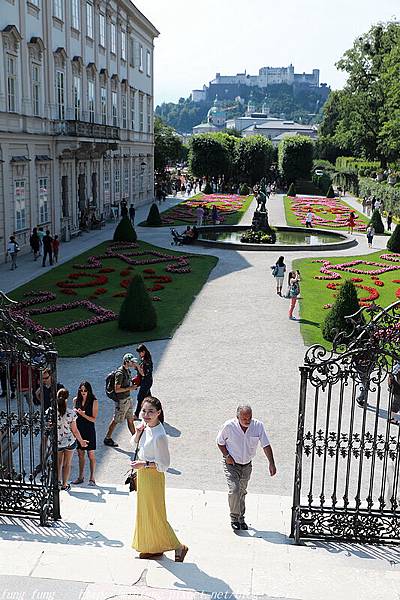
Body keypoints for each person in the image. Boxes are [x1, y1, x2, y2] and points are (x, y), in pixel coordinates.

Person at [131, 396, 188, 561]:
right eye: (144, 411)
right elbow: (134, 443)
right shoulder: (146, 426)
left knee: (156, 513)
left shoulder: (160, 435)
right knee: (145, 512)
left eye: (151, 412)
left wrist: (144, 464)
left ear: (158, 413)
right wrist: (138, 432)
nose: (146, 414)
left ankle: (178, 546)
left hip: (153, 477)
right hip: (143, 475)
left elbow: (164, 465)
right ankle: (153, 547)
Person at [216, 405, 276, 530]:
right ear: (237, 417)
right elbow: (220, 442)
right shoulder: (229, 426)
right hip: (231, 463)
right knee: (235, 490)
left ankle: (241, 518)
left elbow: (265, 445)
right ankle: (234, 517)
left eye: (249, 418)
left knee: (242, 492)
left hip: (247, 464)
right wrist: (227, 455)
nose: (247, 421)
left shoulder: (258, 426)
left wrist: (271, 462)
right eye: (244, 419)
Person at [56, 388, 88, 491]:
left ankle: (57, 483)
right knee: (67, 464)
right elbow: (75, 430)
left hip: (57, 442)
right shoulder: (71, 413)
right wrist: (82, 441)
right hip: (69, 441)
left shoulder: (51, 412)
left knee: (58, 464)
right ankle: (65, 484)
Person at [104, 353, 137, 447]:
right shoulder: (120, 373)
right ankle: (107, 438)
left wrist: (132, 385)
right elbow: (117, 389)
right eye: (132, 361)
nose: (133, 363)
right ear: (126, 361)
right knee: (116, 420)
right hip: (121, 401)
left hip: (128, 399)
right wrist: (130, 388)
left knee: (130, 420)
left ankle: (136, 440)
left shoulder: (127, 371)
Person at [72, 381, 98, 486]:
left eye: (85, 390)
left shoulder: (94, 401)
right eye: (81, 390)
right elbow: (73, 416)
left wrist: (83, 414)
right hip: (79, 429)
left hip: (89, 428)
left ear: (89, 390)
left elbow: (93, 419)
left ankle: (92, 478)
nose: (83, 392)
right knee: (80, 454)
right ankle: (80, 477)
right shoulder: (75, 400)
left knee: (90, 454)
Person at [133, 344, 153, 419]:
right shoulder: (143, 358)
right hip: (144, 381)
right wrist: (136, 366)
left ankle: (136, 414)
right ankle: (157, 408)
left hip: (146, 382)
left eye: (140, 352)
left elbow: (143, 373)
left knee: (140, 397)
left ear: (143, 351)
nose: (139, 354)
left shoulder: (147, 361)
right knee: (149, 398)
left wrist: (138, 366)